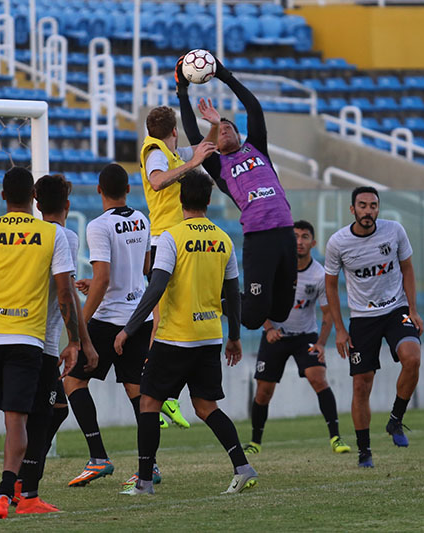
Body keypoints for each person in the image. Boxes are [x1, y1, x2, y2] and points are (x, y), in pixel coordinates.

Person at [115, 169, 258, 495]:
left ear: (180, 199)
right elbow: (233, 294)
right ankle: (243, 466)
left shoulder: (171, 237)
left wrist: (130, 328)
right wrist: (234, 336)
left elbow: (156, 287)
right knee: (207, 407)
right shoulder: (223, 239)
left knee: (149, 403)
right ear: (209, 200)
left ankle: (144, 482)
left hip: (175, 337)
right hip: (210, 336)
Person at [0, 167, 80, 520]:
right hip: (26, 337)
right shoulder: (51, 235)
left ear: (4, 196)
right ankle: (4, 495)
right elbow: (65, 291)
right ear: (32, 199)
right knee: (16, 420)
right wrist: (75, 341)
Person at [177, 56, 297, 330]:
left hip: (286, 233)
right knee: (253, 319)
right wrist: (182, 92)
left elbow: (254, 109)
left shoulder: (256, 148)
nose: (225, 130)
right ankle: (210, 295)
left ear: (240, 135)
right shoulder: (218, 164)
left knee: (279, 313)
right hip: (259, 237)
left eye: (230, 127)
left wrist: (224, 75)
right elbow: (194, 135)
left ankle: (230, 295)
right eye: (220, 130)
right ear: (215, 142)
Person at [64, 164, 157, 487]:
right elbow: (144, 267)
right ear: (129, 189)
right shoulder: (143, 219)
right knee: (139, 394)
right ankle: (150, 466)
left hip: (108, 320)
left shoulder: (99, 226)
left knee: (73, 382)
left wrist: (79, 326)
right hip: (139, 319)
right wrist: (104, 282)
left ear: (99, 190)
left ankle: (98, 457)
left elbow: (103, 279)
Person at [12, 174, 99, 513]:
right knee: (41, 414)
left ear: (36, 203)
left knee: (53, 409)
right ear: (67, 204)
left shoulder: (32, 235)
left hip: (16, 331)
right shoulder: (65, 236)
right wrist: (81, 342)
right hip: (41, 342)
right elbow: (67, 295)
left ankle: (21, 480)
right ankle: (24, 485)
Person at [324, 187, 423, 468]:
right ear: (352, 209)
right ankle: (364, 450)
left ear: (378, 209)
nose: (368, 211)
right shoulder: (338, 243)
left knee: (412, 358)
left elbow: (407, 269)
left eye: (373, 206)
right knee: (361, 385)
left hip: (396, 309)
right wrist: (340, 330)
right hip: (362, 318)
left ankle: (395, 420)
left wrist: (413, 310)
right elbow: (330, 286)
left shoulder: (394, 231)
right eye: (363, 205)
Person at [140, 105, 218, 428]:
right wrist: (193, 163)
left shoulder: (171, 151)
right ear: (174, 131)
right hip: (164, 242)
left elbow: (201, 150)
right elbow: (157, 182)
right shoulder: (157, 154)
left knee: (176, 317)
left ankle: (164, 396)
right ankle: (157, 396)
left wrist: (213, 126)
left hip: (179, 241)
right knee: (161, 320)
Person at [244, 220, 351, 456]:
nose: (299, 242)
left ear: (313, 243)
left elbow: (327, 312)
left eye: (304, 237)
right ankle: (255, 442)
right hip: (275, 336)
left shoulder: (319, 275)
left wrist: (321, 343)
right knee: (263, 391)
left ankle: (336, 437)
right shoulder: (275, 269)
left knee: (318, 378)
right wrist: (269, 328)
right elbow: (257, 303)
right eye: (294, 236)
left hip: (305, 337)